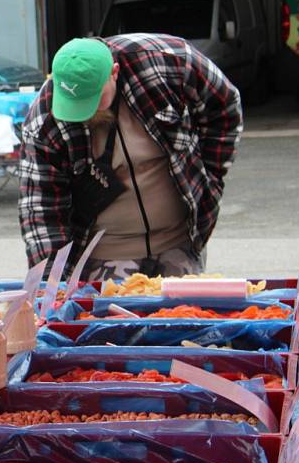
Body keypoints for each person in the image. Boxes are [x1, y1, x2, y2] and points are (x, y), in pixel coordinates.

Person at [18, 34, 243, 281]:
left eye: (94, 99)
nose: (86, 111)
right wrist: (52, 284)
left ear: (114, 72)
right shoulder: (43, 121)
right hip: (104, 251)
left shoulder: (170, 62)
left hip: (178, 241)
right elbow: (40, 209)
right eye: (75, 103)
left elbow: (224, 105)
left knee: (186, 316)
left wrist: (210, 178)